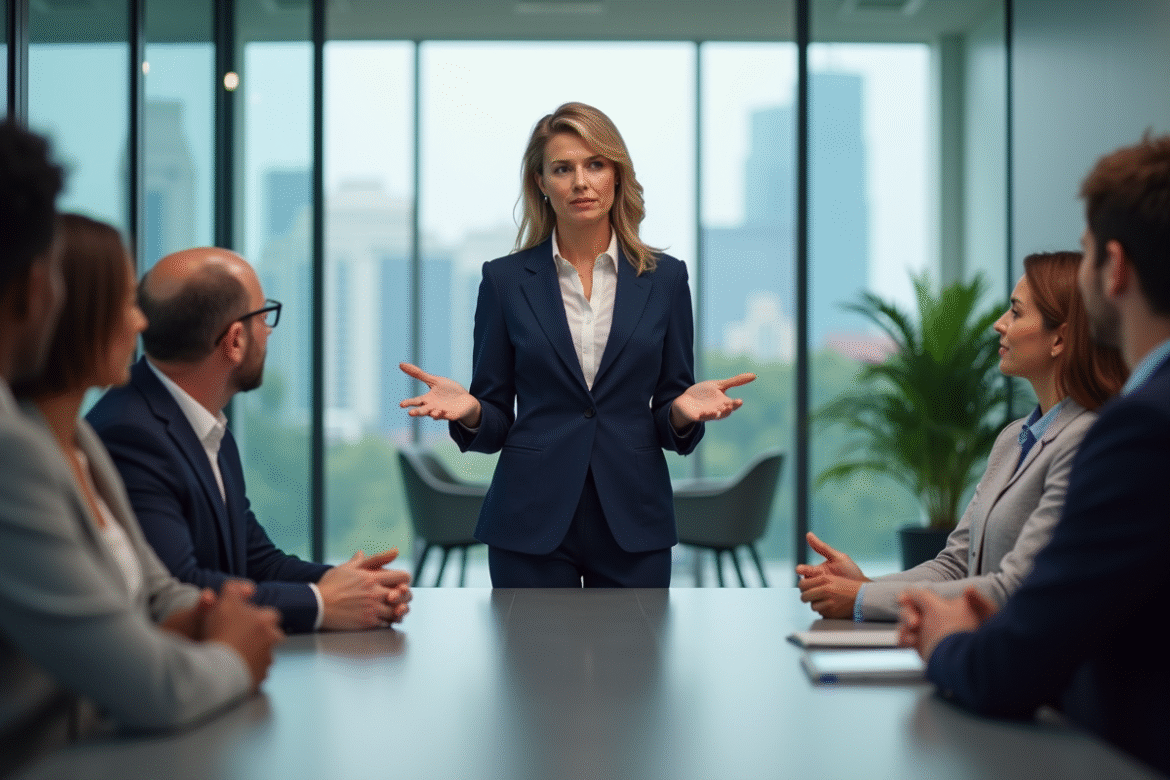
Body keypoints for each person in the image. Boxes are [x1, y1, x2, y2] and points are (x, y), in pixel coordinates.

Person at [0, 128, 278, 767]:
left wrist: (215, 611)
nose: (140, 323)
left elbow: (157, 594)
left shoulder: (88, 442)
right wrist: (235, 650)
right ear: (42, 295)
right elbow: (155, 687)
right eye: (125, 302)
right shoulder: (21, 452)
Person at [897, 134, 1170, 777]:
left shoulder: (1139, 430)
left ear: (1117, 267)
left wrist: (945, 640)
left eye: (1083, 254)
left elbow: (1013, 669)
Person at [400, 102, 754, 587]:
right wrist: (470, 410)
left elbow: (670, 411)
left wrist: (680, 411)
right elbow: (496, 421)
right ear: (542, 183)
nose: (580, 182)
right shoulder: (504, 282)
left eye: (595, 165)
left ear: (616, 175)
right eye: (562, 169)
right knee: (529, 663)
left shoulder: (667, 279)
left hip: (634, 516)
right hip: (528, 519)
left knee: (635, 662)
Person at [87, 247, 412, 633]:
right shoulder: (130, 433)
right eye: (264, 315)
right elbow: (182, 587)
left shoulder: (206, 425)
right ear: (236, 340)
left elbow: (254, 559)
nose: (269, 330)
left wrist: (357, 586)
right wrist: (321, 603)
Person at [797, 251, 1127, 620]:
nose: (999, 325)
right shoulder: (1013, 438)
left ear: (1060, 340)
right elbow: (954, 566)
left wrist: (860, 598)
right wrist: (867, 587)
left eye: (1016, 313)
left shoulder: (1085, 440)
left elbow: (1012, 588)